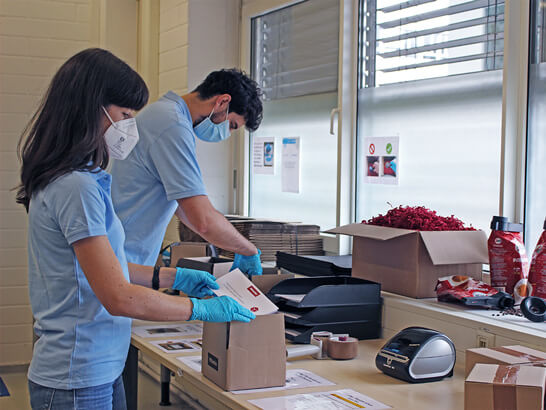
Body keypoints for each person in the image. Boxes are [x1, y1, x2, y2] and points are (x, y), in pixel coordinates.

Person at [16, 48, 254, 410]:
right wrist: (200, 309)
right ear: (91, 108)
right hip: (77, 372)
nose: (129, 126)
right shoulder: (75, 187)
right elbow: (118, 296)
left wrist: (170, 276)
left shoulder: (82, 180)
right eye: (125, 115)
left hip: (98, 364)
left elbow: (106, 271)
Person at [110, 69, 264, 276]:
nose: (227, 133)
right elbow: (203, 219)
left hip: (125, 258)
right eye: (232, 125)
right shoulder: (172, 124)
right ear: (222, 102)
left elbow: (185, 210)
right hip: (120, 255)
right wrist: (248, 250)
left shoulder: (164, 114)